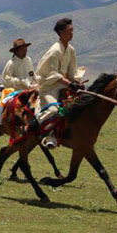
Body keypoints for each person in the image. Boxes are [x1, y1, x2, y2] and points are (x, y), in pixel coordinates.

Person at [34, 18, 82, 149]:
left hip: (63, 84)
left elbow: (72, 70)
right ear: (61, 32)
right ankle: (46, 134)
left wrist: (76, 82)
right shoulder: (55, 51)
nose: (72, 34)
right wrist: (68, 82)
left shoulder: (70, 49)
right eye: (69, 31)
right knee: (54, 109)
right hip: (49, 86)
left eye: (73, 31)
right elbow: (51, 73)